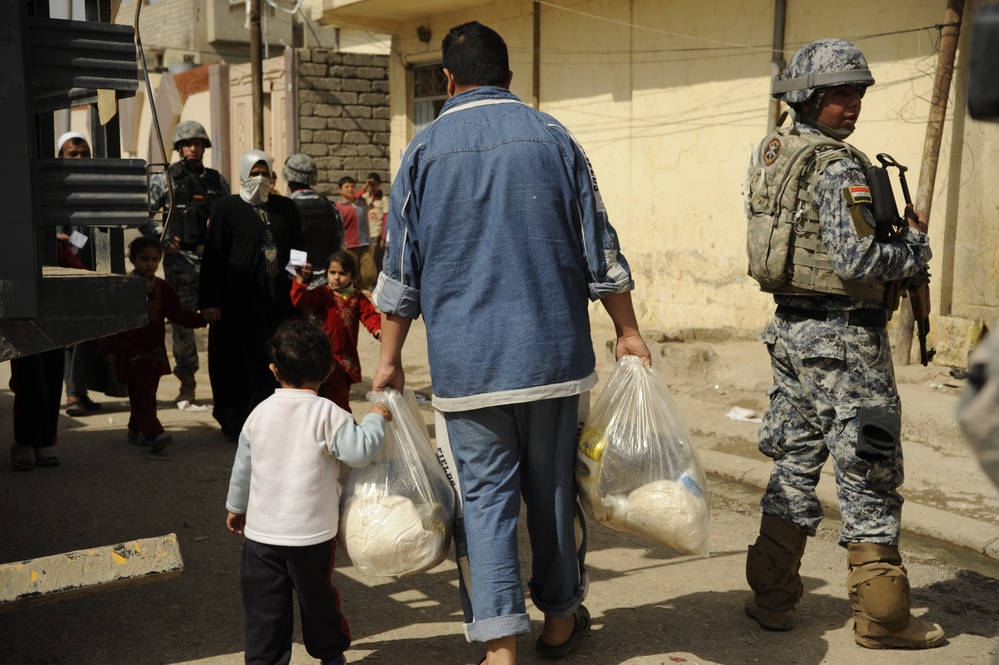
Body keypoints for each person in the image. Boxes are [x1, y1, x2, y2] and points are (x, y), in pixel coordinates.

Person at [371, 21, 650, 665]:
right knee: (553, 493)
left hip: (467, 370)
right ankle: (558, 622)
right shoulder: (554, 138)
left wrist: (387, 362)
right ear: (510, 76)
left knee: (485, 502)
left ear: (446, 78)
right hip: (552, 358)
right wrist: (628, 332)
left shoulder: (423, 151)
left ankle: (500, 646)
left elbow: (401, 273)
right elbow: (599, 248)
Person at [742, 38, 943, 650]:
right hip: (846, 342)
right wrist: (915, 248)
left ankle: (772, 599)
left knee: (795, 464)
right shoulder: (837, 166)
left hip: (792, 334)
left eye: (857, 92)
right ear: (806, 97)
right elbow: (857, 258)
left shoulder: (775, 151)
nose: (852, 104)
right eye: (838, 95)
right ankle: (883, 618)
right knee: (870, 472)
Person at [224, 317, 392, 665]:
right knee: (319, 603)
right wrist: (375, 416)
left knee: (265, 610)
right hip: (312, 537)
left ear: (273, 369)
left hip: (262, 537)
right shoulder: (330, 413)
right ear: (329, 370)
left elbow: (244, 467)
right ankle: (331, 656)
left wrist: (236, 506)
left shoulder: (259, 414)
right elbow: (359, 452)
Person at [198, 150, 302, 439]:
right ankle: (236, 422)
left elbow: (297, 250)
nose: (260, 178)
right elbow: (213, 258)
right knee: (234, 361)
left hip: (276, 301)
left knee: (274, 361)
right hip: (235, 303)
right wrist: (210, 301)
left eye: (265, 173)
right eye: (254, 173)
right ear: (243, 174)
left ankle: (272, 423)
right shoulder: (224, 208)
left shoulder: (286, 208)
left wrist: (297, 281)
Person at [146, 120, 230, 406]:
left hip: (214, 259)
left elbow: (231, 215)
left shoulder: (217, 180)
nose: (193, 148)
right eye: (188, 143)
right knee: (182, 321)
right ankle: (188, 384)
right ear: (180, 148)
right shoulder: (167, 178)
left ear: (204, 146)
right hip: (180, 260)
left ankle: (225, 383)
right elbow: (142, 213)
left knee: (220, 318)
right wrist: (163, 236)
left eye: (198, 143)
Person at [100, 237, 206, 454]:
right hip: (130, 353)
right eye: (144, 259)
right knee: (143, 392)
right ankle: (154, 433)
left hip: (155, 353)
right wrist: (107, 348)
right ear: (133, 259)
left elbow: (177, 313)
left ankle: (134, 429)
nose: (149, 263)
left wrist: (202, 319)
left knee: (145, 394)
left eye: (154, 259)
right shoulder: (123, 287)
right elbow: (110, 320)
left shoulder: (162, 288)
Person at [9, 240, 87, 471]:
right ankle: (24, 443)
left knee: (52, 383)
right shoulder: (12, 240)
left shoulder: (54, 246)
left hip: (52, 323)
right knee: (32, 384)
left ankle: (42, 444)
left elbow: (79, 274)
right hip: (22, 323)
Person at [291, 251, 381, 413]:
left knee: (339, 407)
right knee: (316, 405)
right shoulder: (322, 294)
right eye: (332, 273)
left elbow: (370, 316)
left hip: (342, 364)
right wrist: (300, 281)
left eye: (342, 273)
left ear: (353, 276)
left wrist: (378, 329)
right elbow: (301, 302)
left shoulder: (357, 297)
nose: (337, 278)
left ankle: (349, 435)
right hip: (320, 360)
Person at [54, 131, 103, 417]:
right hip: (66, 270)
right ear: (60, 157)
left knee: (86, 335)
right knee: (70, 337)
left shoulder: (95, 186)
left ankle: (80, 391)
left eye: (84, 154)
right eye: (73, 154)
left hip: (92, 268)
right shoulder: (54, 188)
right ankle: (72, 394)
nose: (79, 159)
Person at [282, 153, 345, 286]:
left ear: (289, 180)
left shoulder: (287, 208)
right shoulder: (330, 206)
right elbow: (340, 242)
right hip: (329, 282)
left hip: (299, 284)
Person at [335, 176, 376, 291]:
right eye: (346, 187)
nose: (350, 189)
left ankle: (359, 291)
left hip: (364, 245)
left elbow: (358, 197)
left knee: (369, 274)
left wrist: (366, 187)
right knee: (350, 274)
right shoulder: (337, 207)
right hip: (348, 246)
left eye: (352, 186)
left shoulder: (361, 204)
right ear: (340, 190)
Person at [356, 172, 388, 274]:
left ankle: (375, 283)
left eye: (375, 185)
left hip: (376, 234)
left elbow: (386, 218)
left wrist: (383, 238)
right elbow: (355, 199)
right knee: (366, 260)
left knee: (375, 260)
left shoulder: (383, 199)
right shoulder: (366, 197)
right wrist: (365, 186)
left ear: (379, 185)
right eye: (371, 185)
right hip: (365, 234)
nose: (373, 187)